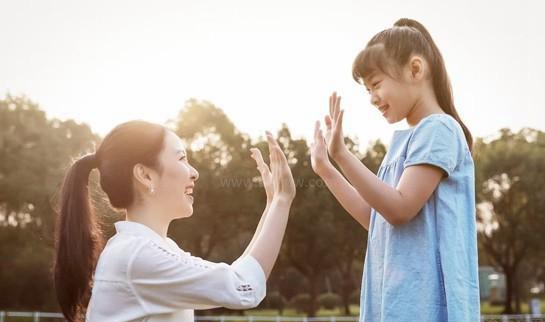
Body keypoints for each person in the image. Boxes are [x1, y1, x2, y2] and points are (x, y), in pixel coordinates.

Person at [310, 18, 480, 322]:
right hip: (395, 303)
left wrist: (343, 155)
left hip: (425, 306)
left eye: (376, 84)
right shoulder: (404, 142)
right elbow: (376, 218)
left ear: (415, 69)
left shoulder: (439, 129)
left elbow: (400, 209)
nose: (372, 98)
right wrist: (327, 168)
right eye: (367, 89)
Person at [53, 120, 296, 322]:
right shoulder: (137, 256)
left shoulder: (150, 249)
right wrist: (282, 202)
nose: (194, 172)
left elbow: (236, 276)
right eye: (182, 159)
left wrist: (272, 204)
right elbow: (244, 288)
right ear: (145, 175)